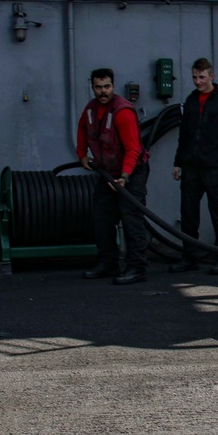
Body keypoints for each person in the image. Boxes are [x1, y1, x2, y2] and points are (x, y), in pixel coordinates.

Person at [77, 68, 151, 285]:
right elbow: (82, 129)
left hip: (131, 172)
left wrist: (125, 177)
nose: (103, 92)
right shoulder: (90, 110)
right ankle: (108, 263)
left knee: (131, 219)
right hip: (107, 172)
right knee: (102, 217)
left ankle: (137, 268)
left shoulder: (122, 112)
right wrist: (81, 154)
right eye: (99, 87)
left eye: (107, 86)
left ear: (113, 86)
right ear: (92, 88)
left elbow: (133, 149)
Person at [171, 58, 218, 275]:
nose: (197, 81)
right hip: (191, 167)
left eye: (201, 77)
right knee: (189, 214)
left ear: (212, 76)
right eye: (194, 77)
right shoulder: (191, 101)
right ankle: (190, 258)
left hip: (215, 168)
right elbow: (184, 135)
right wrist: (178, 163)